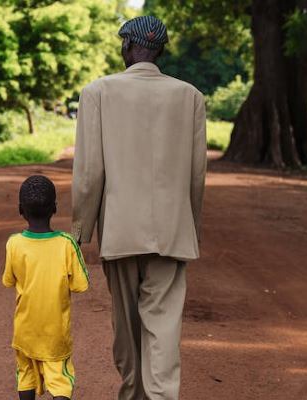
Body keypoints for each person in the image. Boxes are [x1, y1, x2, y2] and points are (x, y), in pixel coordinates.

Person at [71, 15, 207, 400]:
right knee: (163, 328)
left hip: (120, 231)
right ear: (160, 50)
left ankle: (131, 392)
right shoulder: (191, 96)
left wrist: (80, 233)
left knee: (126, 329)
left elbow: (88, 173)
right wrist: (190, 227)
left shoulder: (97, 92)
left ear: (127, 47)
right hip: (172, 231)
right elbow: (197, 175)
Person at [2, 175, 89, 400]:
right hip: (55, 332)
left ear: (21, 210)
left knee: (25, 374)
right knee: (59, 380)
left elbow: (9, 280)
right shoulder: (66, 243)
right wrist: (76, 251)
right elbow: (81, 285)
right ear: (55, 209)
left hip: (25, 329)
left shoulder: (14, 243)